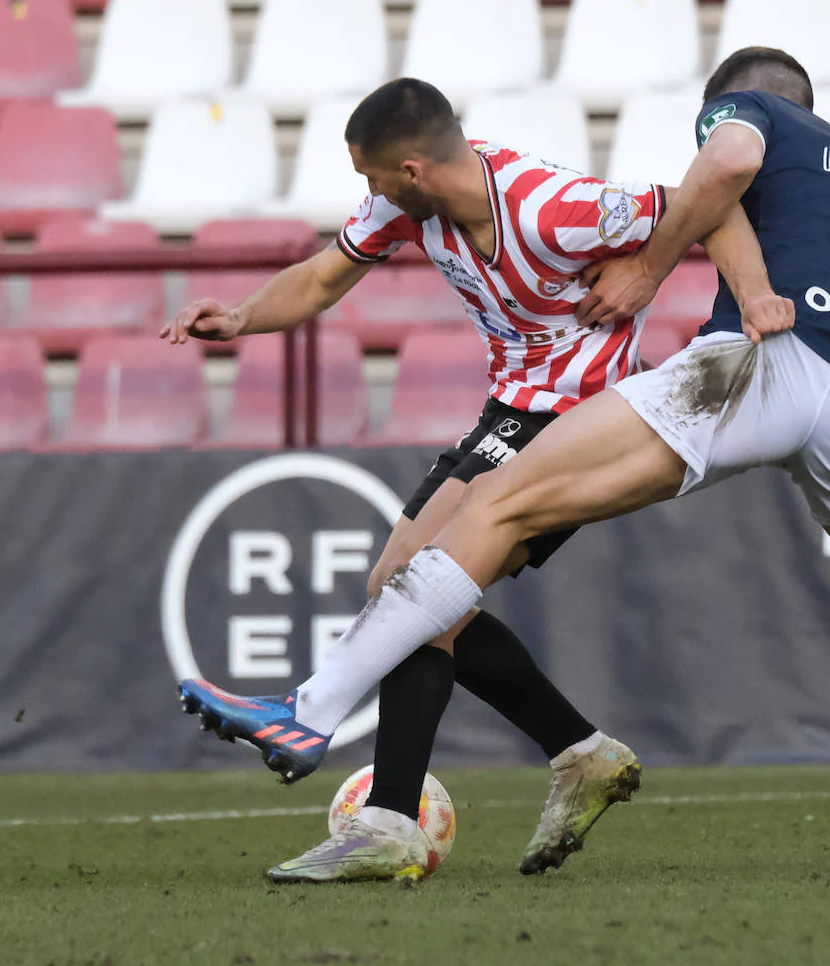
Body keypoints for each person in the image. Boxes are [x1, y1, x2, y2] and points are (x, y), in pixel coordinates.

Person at [194, 48, 830, 878]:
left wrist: (671, 273)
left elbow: (721, 171)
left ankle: (317, 723)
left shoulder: (712, 127)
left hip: (753, 366)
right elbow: (318, 278)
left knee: (478, 520)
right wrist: (240, 316)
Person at [167, 78, 677, 883]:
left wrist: (648, 268)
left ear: (412, 170)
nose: (364, 193)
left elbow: (701, 202)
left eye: (370, 176)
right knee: (398, 587)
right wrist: (241, 315)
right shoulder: (411, 207)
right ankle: (580, 754)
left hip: (584, 418)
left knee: (415, 592)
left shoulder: (550, 204)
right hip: (512, 410)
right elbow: (324, 277)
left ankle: (388, 820)